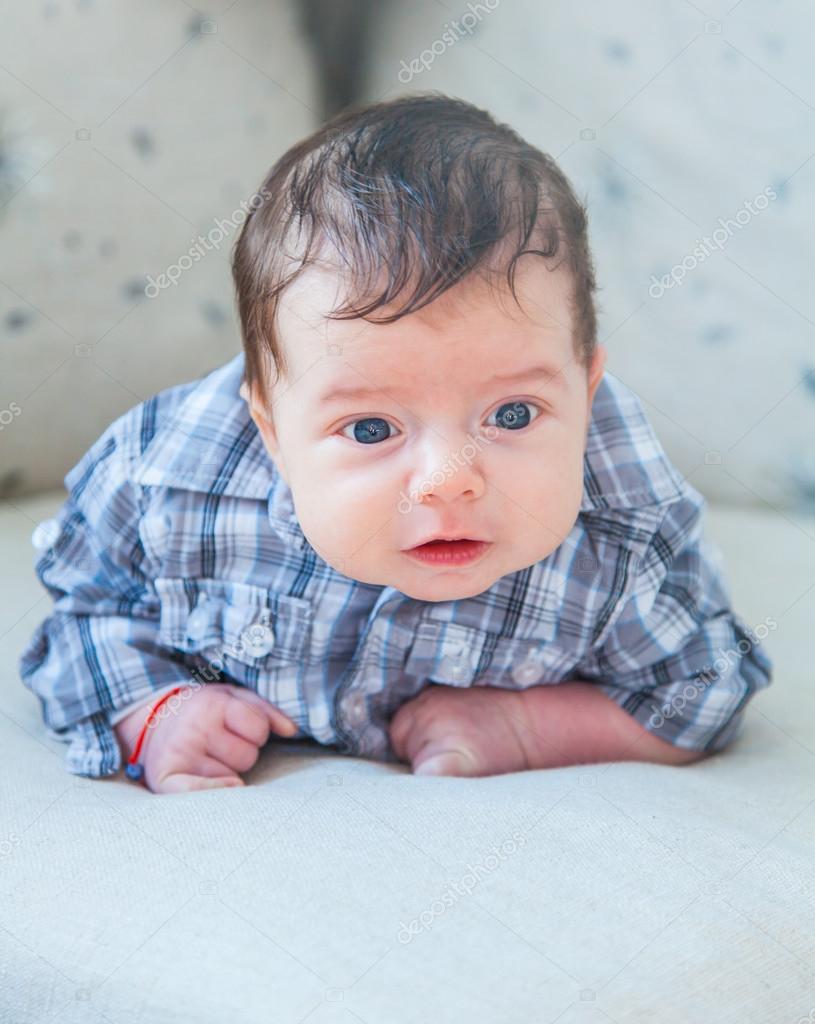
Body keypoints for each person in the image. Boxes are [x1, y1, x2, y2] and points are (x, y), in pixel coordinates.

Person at [18, 94, 773, 793]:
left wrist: (526, 729)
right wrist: (153, 711)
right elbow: (88, 615)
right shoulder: (168, 484)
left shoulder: (623, 538)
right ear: (272, 433)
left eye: (513, 414)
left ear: (586, 390)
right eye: (372, 429)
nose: (449, 479)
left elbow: (701, 687)